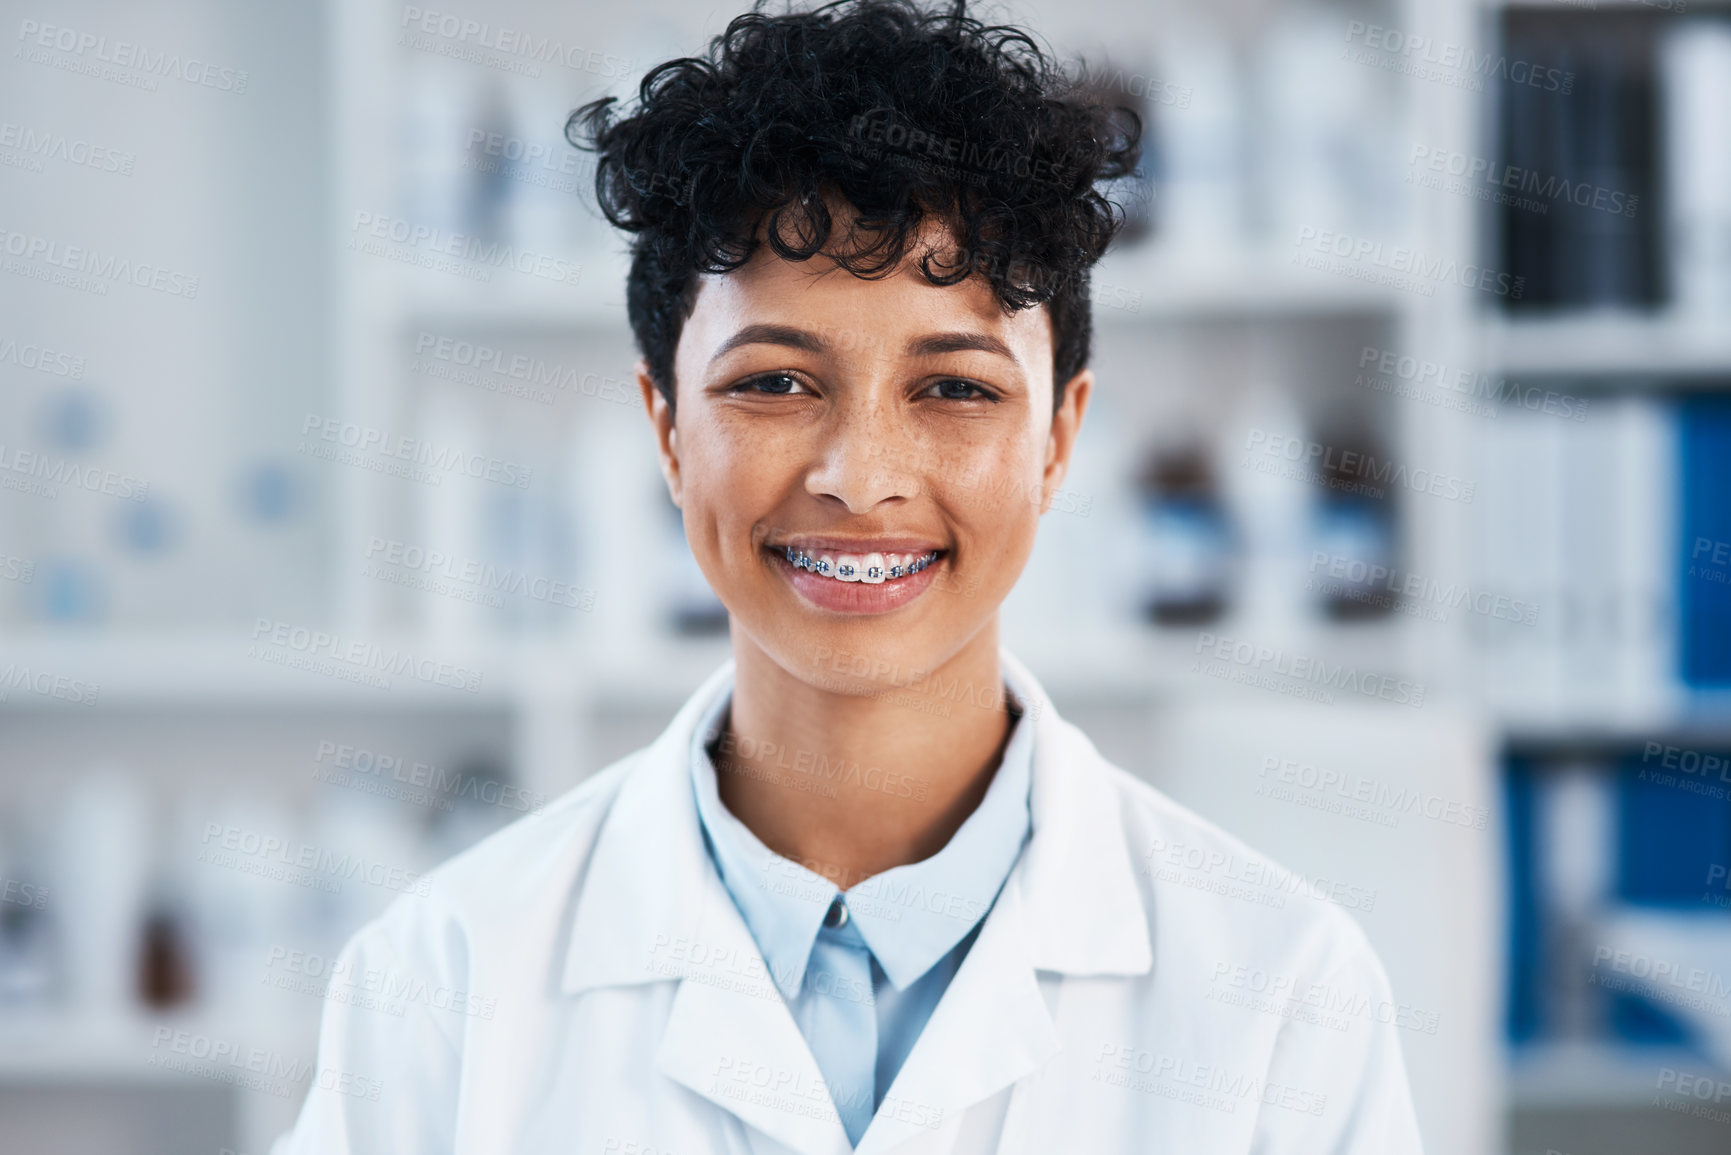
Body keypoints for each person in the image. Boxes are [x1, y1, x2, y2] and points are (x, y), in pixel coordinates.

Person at [274, 1, 1424, 1151]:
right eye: (774, 384)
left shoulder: (1282, 997)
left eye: (957, 388)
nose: (860, 477)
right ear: (667, 432)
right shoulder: (440, 988)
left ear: (1061, 441)